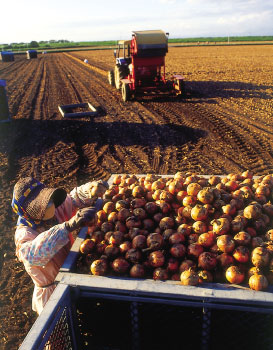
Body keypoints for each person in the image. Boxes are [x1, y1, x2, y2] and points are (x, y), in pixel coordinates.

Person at [12, 177, 108, 315]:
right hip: (52, 293)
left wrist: (90, 190)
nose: (50, 204)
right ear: (31, 211)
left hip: (70, 276)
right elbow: (33, 256)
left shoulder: (54, 212)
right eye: (44, 203)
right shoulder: (24, 233)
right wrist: (67, 226)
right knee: (59, 329)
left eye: (49, 199)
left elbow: (72, 199)